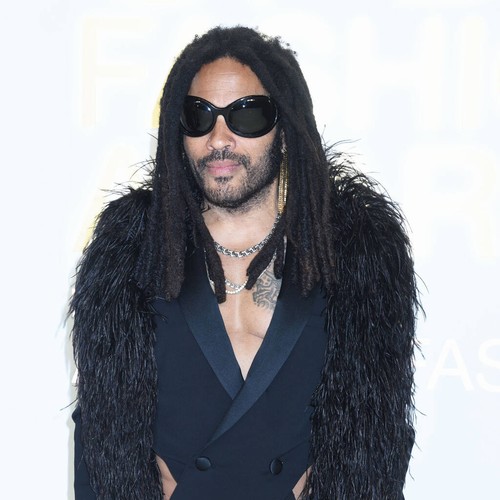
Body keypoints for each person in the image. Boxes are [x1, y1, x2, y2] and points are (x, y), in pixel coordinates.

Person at [71, 26, 420, 500]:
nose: (219, 138)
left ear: (286, 129)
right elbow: (98, 430)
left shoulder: (353, 259)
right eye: (198, 116)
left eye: (247, 115)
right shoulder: (133, 258)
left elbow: (380, 434)